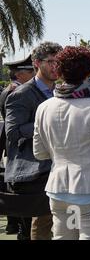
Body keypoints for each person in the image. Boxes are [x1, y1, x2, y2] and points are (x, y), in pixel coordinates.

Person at [33, 47, 90, 240]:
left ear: (59, 71)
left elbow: (39, 152)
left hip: (59, 191)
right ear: (88, 72)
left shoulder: (44, 108)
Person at [4, 42, 62, 240]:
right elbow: (12, 133)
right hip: (37, 171)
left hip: (60, 166)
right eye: (51, 61)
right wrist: (46, 121)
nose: (57, 66)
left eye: (59, 61)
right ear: (37, 63)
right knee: (43, 221)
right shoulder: (21, 94)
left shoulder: (60, 91)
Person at [0, 55, 35, 239]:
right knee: (21, 195)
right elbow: (13, 128)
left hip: (13, 147)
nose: (34, 74)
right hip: (21, 148)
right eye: (31, 72)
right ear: (21, 74)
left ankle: (14, 225)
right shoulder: (17, 92)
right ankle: (20, 228)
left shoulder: (10, 90)